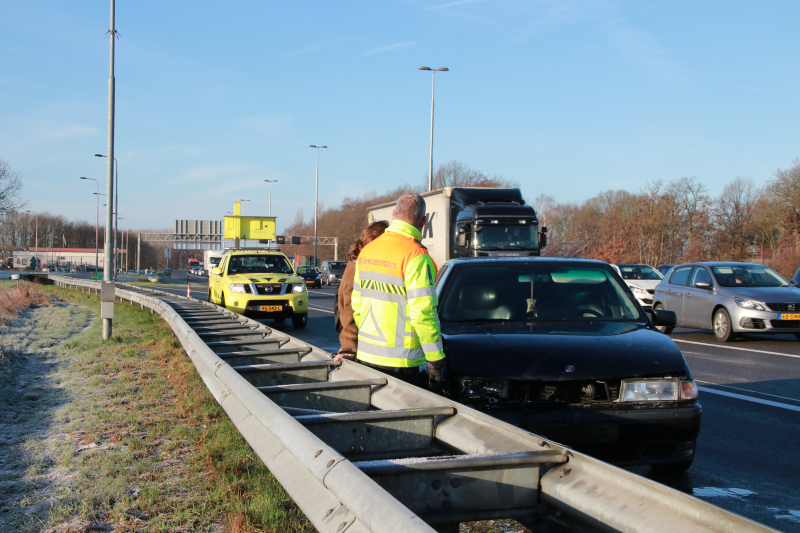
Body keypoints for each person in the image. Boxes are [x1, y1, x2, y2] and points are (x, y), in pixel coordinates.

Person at [350, 193, 445, 388]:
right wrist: (435, 358)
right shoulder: (416, 255)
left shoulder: (368, 250)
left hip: (367, 355)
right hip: (402, 361)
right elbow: (423, 313)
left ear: (393, 214)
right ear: (423, 221)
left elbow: (357, 303)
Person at [333, 221, 389, 362]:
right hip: (363, 343)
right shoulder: (359, 264)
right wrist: (349, 344)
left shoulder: (357, 260)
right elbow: (349, 307)